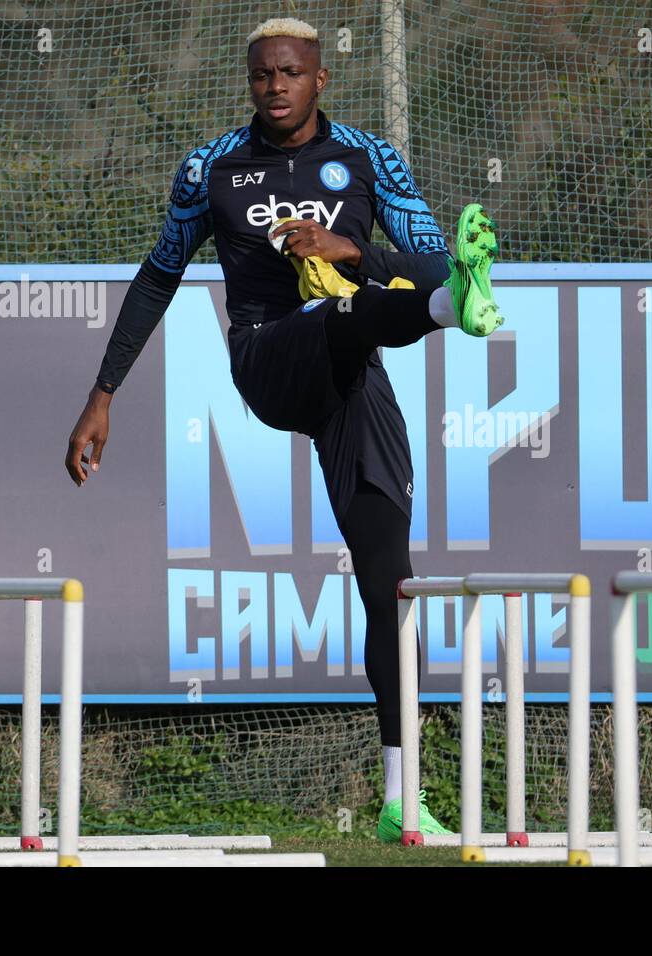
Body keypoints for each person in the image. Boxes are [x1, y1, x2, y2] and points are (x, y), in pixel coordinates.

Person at [63, 16, 503, 843]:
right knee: (349, 312)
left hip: (352, 376)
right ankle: (450, 318)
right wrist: (103, 392)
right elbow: (158, 277)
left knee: (391, 584)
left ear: (320, 80)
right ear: (250, 80)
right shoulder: (212, 168)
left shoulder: (370, 158)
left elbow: (440, 256)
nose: (274, 88)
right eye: (262, 75)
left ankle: (401, 801)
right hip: (269, 354)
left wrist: (353, 247)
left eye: (290, 74)